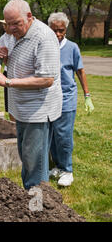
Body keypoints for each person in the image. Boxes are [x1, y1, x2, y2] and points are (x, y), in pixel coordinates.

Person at [0, 0, 62, 190]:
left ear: (29, 17)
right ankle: (30, 199)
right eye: (8, 24)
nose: (11, 28)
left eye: (16, 23)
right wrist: (1, 55)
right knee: (26, 155)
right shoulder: (14, 36)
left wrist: (9, 82)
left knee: (34, 162)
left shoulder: (44, 37)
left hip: (38, 109)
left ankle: (36, 206)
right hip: (21, 108)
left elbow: (46, 79)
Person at [47, 12, 94, 187]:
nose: (58, 34)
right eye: (55, 31)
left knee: (64, 135)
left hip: (67, 97)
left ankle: (68, 170)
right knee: (51, 135)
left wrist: (87, 95)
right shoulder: (46, 46)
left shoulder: (72, 47)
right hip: (49, 97)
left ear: (66, 30)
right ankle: (58, 166)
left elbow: (80, 71)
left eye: (61, 30)